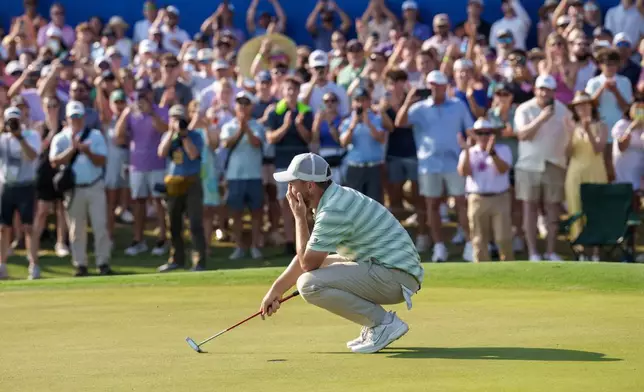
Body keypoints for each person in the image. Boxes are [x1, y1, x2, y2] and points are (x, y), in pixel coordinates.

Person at [260, 153, 423, 354]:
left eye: (293, 183)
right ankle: (376, 326)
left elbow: (307, 264)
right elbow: (311, 257)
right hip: (389, 269)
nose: (290, 190)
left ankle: (383, 324)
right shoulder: (335, 198)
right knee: (316, 270)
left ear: (310, 186)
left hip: (395, 276)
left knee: (309, 283)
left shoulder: (333, 210)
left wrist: (299, 219)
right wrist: (276, 290)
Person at [396, 70, 474, 262]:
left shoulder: (458, 105)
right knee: (432, 205)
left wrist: (469, 150)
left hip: (454, 162)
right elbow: (400, 123)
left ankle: (470, 244)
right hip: (428, 164)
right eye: (432, 84)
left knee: (461, 203)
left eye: (439, 85)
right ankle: (439, 246)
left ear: (445, 86)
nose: (435, 88)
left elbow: (470, 130)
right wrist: (407, 102)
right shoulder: (419, 107)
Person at [49, 101, 112, 277]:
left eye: (79, 116)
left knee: (100, 226)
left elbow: (102, 160)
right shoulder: (61, 138)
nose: (76, 120)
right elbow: (54, 161)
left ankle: (103, 262)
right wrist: (72, 149)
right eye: (73, 117)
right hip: (74, 189)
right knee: (76, 229)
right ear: (67, 118)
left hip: (94, 185)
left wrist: (87, 151)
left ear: (84, 117)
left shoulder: (95, 135)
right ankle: (80, 264)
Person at [514, 75, 572, 262]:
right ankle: (533, 253)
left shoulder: (563, 111)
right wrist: (541, 118)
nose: (544, 93)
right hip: (528, 165)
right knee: (529, 209)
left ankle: (551, 251)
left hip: (554, 164)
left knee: (552, 210)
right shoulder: (524, 109)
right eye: (541, 89)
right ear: (535, 89)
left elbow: (569, 138)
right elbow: (523, 135)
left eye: (548, 90)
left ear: (554, 92)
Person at [115, 80, 169, 256]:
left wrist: (151, 113)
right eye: (139, 94)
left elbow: (165, 130)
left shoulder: (160, 111)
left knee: (159, 201)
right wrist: (125, 113)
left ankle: (163, 239)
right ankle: (138, 240)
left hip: (157, 164)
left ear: (151, 94)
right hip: (137, 165)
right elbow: (119, 137)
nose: (141, 98)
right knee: (138, 203)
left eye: (144, 94)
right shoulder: (131, 114)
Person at [266, 76, 313, 255]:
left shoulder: (306, 111)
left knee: (306, 203)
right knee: (286, 203)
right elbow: (271, 138)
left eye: (294, 89)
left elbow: (309, 138)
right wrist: (286, 125)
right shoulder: (275, 112)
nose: (291, 93)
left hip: (302, 166)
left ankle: (307, 242)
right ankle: (289, 242)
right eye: (288, 89)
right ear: (282, 91)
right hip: (283, 164)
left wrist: (299, 125)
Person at [156, 105, 206, 272]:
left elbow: (193, 154)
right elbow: (161, 153)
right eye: (173, 118)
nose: (177, 121)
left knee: (194, 223)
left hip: (191, 182)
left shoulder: (195, 136)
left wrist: (184, 136)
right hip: (173, 182)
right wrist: (171, 133)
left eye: (179, 118)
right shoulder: (167, 136)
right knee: (174, 223)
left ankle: (199, 261)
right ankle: (176, 259)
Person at [458, 118, 514, 262]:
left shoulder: (503, 150)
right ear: (474, 134)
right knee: (478, 239)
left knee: (503, 238)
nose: (483, 136)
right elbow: (464, 172)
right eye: (479, 133)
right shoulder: (468, 152)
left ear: (493, 134)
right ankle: (481, 273)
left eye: (487, 133)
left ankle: (509, 271)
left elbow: (503, 169)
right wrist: (466, 151)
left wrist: (492, 153)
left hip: (499, 197)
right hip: (477, 198)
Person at [221, 91, 266, 260]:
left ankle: (255, 246)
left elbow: (256, 143)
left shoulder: (257, 126)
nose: (242, 106)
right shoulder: (228, 126)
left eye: (246, 103)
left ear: (251, 106)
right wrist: (241, 129)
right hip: (235, 176)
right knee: (236, 213)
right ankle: (239, 246)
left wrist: (246, 128)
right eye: (240, 103)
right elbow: (226, 144)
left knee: (256, 212)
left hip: (254, 175)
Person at [564, 91, 608, 260]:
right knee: (576, 209)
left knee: (595, 211)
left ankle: (596, 252)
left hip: (596, 172)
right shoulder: (571, 127)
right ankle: (581, 252)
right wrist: (570, 134)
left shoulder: (602, 125)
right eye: (578, 106)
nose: (582, 108)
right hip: (575, 174)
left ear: (591, 106)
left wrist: (588, 130)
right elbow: (567, 153)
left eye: (585, 104)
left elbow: (598, 149)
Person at [0, 106, 41, 280]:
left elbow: (33, 156)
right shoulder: (2, 139)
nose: (13, 124)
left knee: (28, 227)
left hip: (25, 185)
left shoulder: (31, 136)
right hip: (7, 186)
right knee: (3, 228)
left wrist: (20, 137)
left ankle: (34, 265)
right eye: (10, 120)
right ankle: (2, 265)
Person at [339, 87, 386, 203]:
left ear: (369, 102)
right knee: (355, 205)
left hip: (374, 168)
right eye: (357, 100)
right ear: (353, 103)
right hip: (355, 168)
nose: (360, 103)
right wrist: (352, 126)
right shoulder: (347, 122)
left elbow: (381, 139)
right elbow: (344, 143)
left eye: (364, 100)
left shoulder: (376, 119)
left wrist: (368, 124)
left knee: (375, 205)